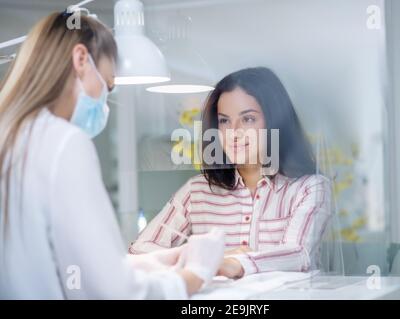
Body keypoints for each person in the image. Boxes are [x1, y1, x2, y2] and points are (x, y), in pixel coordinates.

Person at [0, 11, 224, 299]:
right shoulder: (62, 143)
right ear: (81, 59)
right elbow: (115, 293)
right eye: (107, 85)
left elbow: (66, 264)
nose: (104, 101)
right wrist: (194, 275)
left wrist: (153, 261)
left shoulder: (13, 136)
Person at [130, 67, 332, 279]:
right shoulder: (197, 190)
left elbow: (299, 254)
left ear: (276, 123)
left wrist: (235, 264)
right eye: (224, 121)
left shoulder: (311, 188)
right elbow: (139, 250)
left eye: (248, 119)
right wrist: (211, 258)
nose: (233, 132)